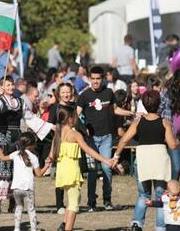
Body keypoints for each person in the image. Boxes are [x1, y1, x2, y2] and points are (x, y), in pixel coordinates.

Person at [0, 76, 54, 213]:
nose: (11, 87)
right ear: (1, 87)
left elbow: (30, 118)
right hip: (2, 138)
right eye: (7, 85)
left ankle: (14, 203)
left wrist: (49, 126)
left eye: (12, 85)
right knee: (2, 170)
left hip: (17, 139)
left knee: (17, 170)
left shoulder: (20, 101)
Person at [113, 90, 178, 231]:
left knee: (143, 194)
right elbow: (173, 145)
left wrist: (116, 156)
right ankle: (160, 227)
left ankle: (137, 223)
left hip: (142, 159)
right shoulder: (165, 122)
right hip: (160, 159)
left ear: (143, 104)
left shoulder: (138, 122)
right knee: (161, 196)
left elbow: (124, 140)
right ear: (159, 104)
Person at [76, 66, 133, 212]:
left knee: (107, 168)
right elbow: (76, 115)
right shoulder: (84, 96)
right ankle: (91, 203)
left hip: (107, 137)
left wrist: (132, 113)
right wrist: (83, 128)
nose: (95, 82)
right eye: (93, 79)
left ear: (103, 79)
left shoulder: (109, 93)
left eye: (98, 79)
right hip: (91, 140)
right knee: (93, 171)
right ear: (89, 79)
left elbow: (115, 110)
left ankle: (107, 201)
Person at [49, 105, 113, 231]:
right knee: (74, 204)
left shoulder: (58, 134)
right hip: (72, 172)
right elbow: (88, 150)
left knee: (72, 199)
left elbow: (51, 155)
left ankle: (64, 225)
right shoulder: (75, 134)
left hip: (62, 172)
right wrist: (105, 160)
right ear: (69, 119)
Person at [0, 131, 52, 231]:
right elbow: (39, 174)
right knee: (31, 209)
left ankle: (17, 228)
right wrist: (47, 165)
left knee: (19, 207)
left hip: (16, 188)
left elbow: (2, 158)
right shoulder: (34, 157)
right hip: (28, 188)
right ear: (32, 145)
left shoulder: (15, 154)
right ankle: (33, 229)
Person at [49, 83, 76, 214]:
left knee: (72, 173)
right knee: (60, 174)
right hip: (59, 142)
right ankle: (59, 204)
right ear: (59, 94)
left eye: (68, 92)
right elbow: (49, 124)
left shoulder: (74, 107)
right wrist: (55, 129)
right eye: (63, 92)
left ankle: (72, 202)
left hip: (72, 143)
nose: (66, 94)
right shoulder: (54, 107)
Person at [165, 67, 180, 180]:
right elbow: (161, 111)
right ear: (177, 80)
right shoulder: (169, 92)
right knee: (175, 168)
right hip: (175, 133)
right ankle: (173, 195)